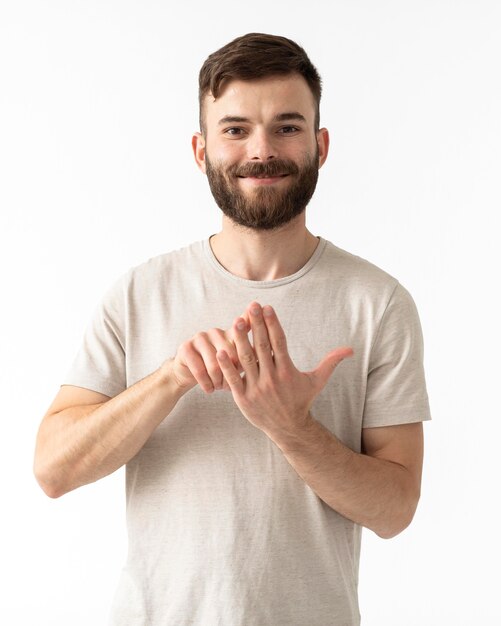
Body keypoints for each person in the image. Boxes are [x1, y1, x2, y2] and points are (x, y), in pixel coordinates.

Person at [34, 32, 431, 626]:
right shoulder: (139, 294)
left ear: (320, 145)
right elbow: (53, 469)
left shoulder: (379, 303)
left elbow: (395, 509)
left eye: (288, 127)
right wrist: (170, 378)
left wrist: (290, 427)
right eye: (236, 128)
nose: (261, 150)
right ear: (201, 150)